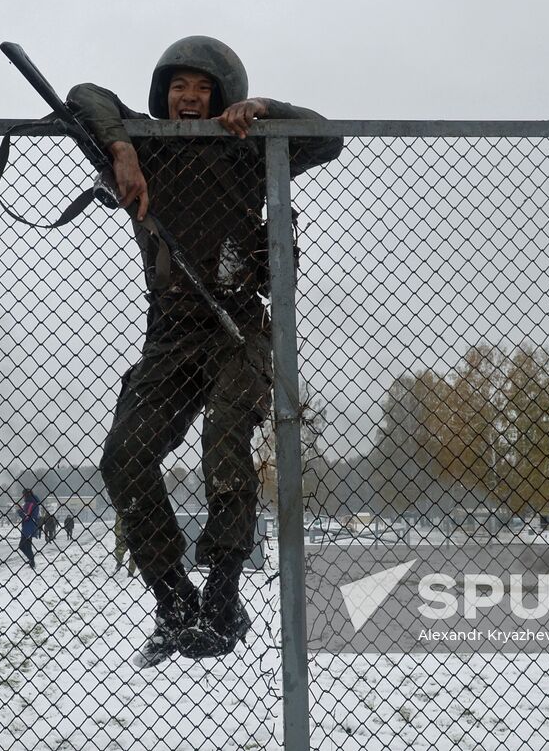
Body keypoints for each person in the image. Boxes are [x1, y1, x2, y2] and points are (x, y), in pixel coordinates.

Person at [66, 35, 342, 664]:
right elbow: (83, 96)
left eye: (203, 88)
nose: (189, 99)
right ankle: (173, 600)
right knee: (125, 457)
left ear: (223, 95)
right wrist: (122, 148)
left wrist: (264, 110)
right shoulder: (146, 148)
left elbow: (328, 136)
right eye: (177, 87)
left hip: (239, 330)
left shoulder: (248, 150)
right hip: (169, 335)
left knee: (225, 437)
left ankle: (223, 588)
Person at [17, 488, 41, 569]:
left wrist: (19, 511)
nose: (23, 497)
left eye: (23, 495)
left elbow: (26, 516)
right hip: (31, 527)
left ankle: (32, 561)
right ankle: (32, 563)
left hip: (28, 527)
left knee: (22, 546)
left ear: (26, 495)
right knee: (28, 545)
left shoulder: (30, 503)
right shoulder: (34, 502)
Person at [112, 512, 137, 577]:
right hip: (122, 530)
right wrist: (119, 534)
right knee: (119, 551)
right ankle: (119, 562)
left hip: (135, 528)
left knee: (134, 552)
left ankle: (131, 572)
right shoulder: (121, 506)